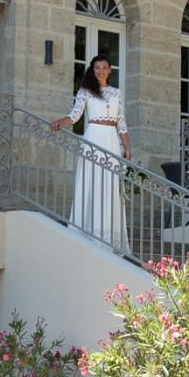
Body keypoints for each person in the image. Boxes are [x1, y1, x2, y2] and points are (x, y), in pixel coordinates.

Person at [51, 55, 129, 249]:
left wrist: (126, 146)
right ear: (92, 71)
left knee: (110, 184)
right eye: (97, 68)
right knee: (91, 180)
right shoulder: (86, 91)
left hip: (112, 139)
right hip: (94, 136)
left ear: (110, 70)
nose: (101, 71)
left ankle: (110, 237)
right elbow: (74, 115)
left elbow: (122, 123)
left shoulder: (116, 92)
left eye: (104, 67)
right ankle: (86, 231)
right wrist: (60, 121)